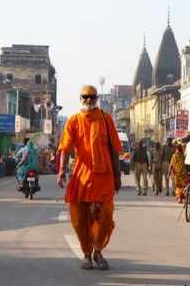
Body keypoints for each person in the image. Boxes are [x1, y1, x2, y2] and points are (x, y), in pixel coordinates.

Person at [57, 85, 122, 270]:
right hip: (81, 178)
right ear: (80, 98)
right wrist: (61, 170)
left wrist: (117, 175)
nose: (88, 100)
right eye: (85, 97)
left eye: (92, 97)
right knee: (79, 219)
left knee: (105, 217)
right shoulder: (74, 121)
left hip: (104, 177)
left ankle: (98, 251)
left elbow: (115, 149)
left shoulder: (106, 119)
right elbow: (65, 148)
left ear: (97, 97)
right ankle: (86, 254)